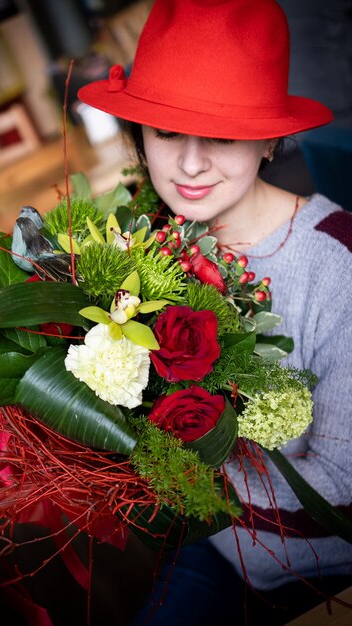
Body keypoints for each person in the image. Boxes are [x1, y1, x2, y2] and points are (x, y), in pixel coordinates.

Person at [77, 0, 352, 623]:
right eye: (167, 131)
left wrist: (155, 465)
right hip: (217, 548)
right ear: (137, 138)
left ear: (272, 137)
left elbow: (341, 488)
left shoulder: (338, 266)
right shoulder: (145, 242)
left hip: (327, 569)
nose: (192, 164)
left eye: (223, 134)